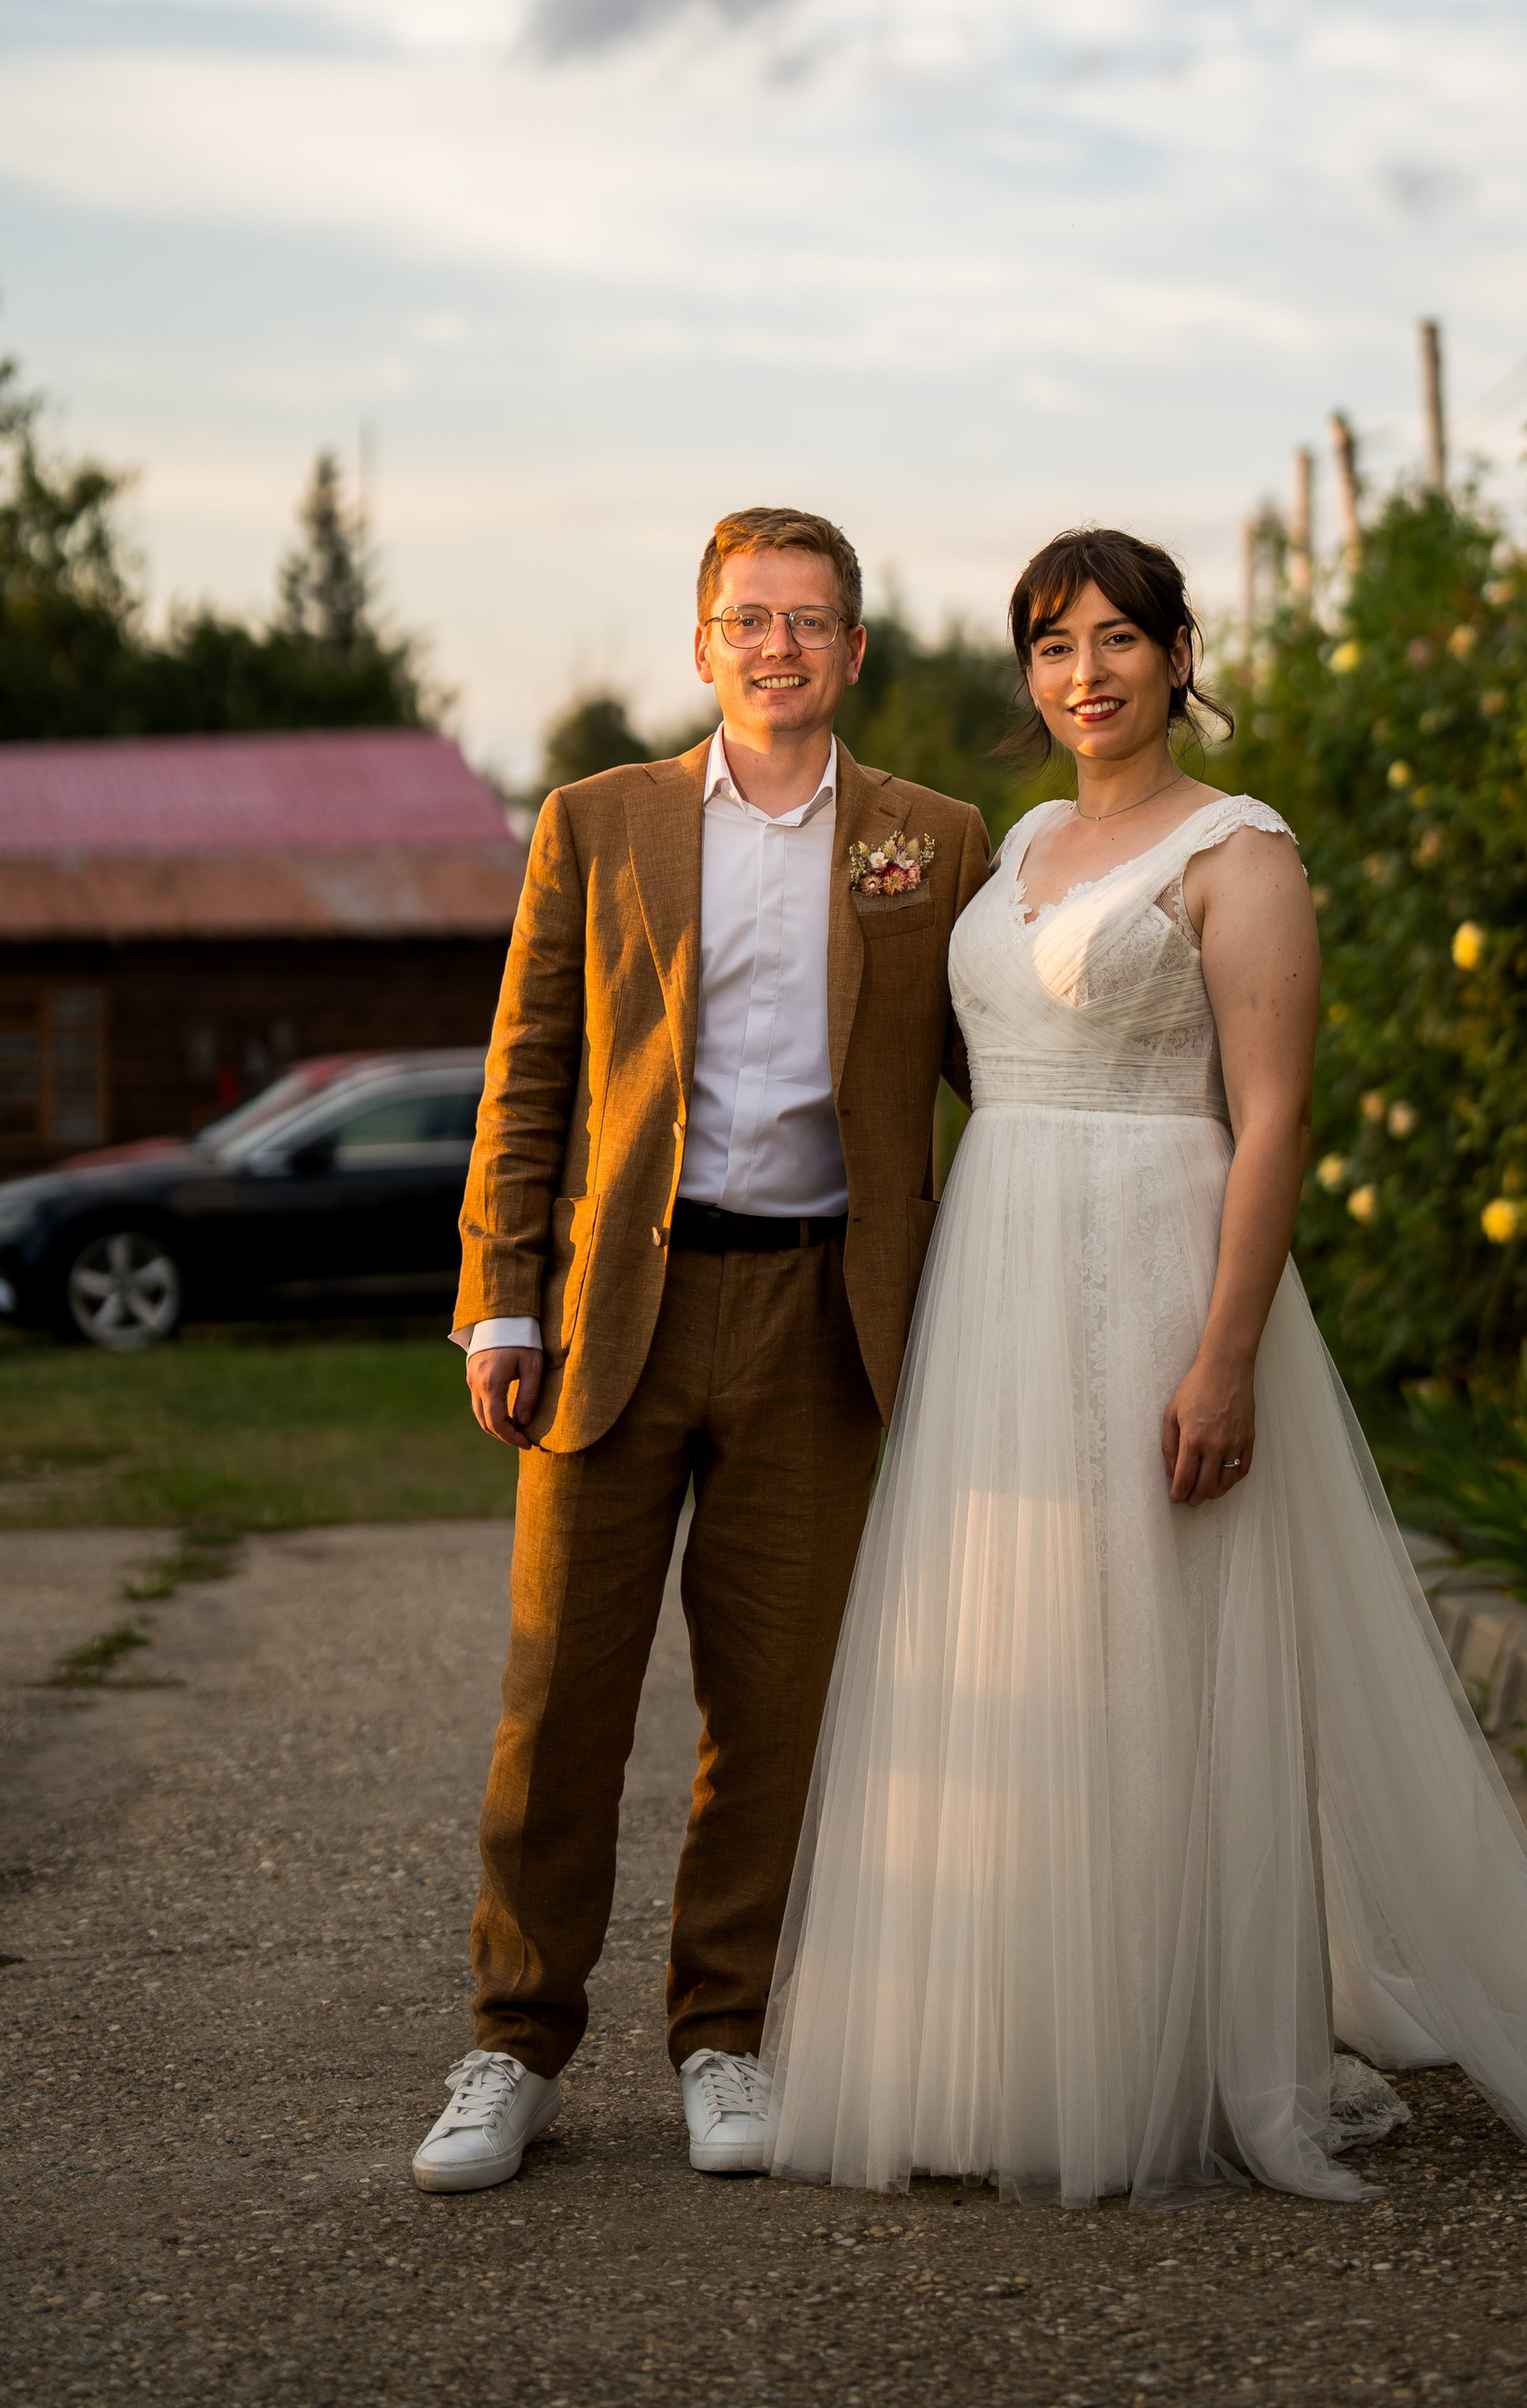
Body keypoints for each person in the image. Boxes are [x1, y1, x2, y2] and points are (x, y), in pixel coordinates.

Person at [751, 527, 1527, 2206]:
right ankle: (1014, 2039)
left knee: (1160, 1656)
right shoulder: (1013, 843)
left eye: (1116, 639)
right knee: (1025, 1637)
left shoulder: (1243, 852)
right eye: (1050, 644)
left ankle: (1171, 2049)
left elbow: (1276, 1116)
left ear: (1177, 653)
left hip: (1159, 1269)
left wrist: (1224, 1351)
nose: (1083, 672)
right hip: (1001, 1282)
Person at [412, 506, 989, 2194]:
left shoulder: (933, 840)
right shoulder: (599, 822)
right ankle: (514, 2042)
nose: (778, 644)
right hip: (615, 1320)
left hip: (821, 1320)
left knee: (775, 1706)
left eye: (811, 619)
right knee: (559, 1693)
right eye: (749, 616)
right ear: (703, 642)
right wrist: (500, 1292)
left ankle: (724, 2036)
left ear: (855, 650)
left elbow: (997, 1058)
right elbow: (529, 1065)